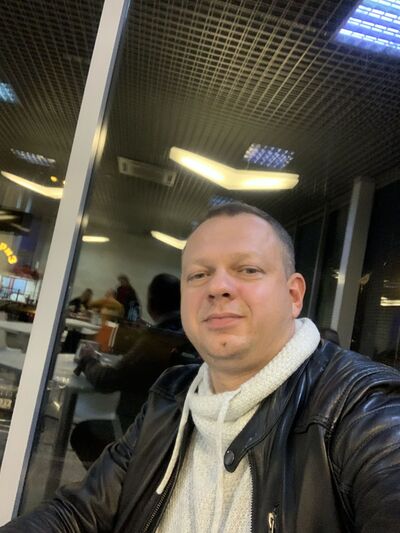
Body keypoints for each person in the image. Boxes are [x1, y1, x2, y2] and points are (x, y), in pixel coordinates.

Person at [2, 202, 400, 532]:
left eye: (248, 269)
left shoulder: (364, 410)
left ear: (293, 295)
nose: (217, 287)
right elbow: (77, 513)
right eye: (199, 274)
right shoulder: (171, 397)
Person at [70, 273, 194, 469]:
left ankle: (117, 479)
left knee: (83, 434)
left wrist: (88, 360)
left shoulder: (154, 341)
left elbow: (107, 380)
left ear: (151, 304)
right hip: (171, 435)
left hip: (138, 432)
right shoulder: (191, 336)